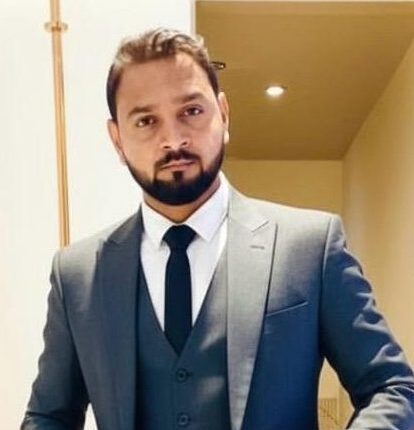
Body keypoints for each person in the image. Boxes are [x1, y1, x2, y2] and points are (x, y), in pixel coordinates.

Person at [22, 28, 414, 430]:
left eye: (191, 111)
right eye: (146, 120)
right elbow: (48, 416)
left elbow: (392, 388)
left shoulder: (309, 247)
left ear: (223, 114)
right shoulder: (78, 275)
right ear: (117, 139)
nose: (173, 139)